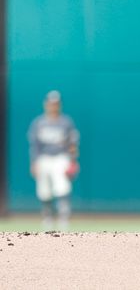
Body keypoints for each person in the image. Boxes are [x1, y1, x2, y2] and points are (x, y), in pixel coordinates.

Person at [27, 91, 80, 230]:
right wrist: (33, 163)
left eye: (55, 104)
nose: (53, 106)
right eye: (51, 103)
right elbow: (34, 145)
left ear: (59, 105)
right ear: (46, 104)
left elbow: (73, 143)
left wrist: (73, 160)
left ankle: (63, 216)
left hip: (61, 157)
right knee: (44, 190)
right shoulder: (39, 122)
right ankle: (47, 216)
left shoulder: (66, 122)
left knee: (62, 186)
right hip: (44, 158)